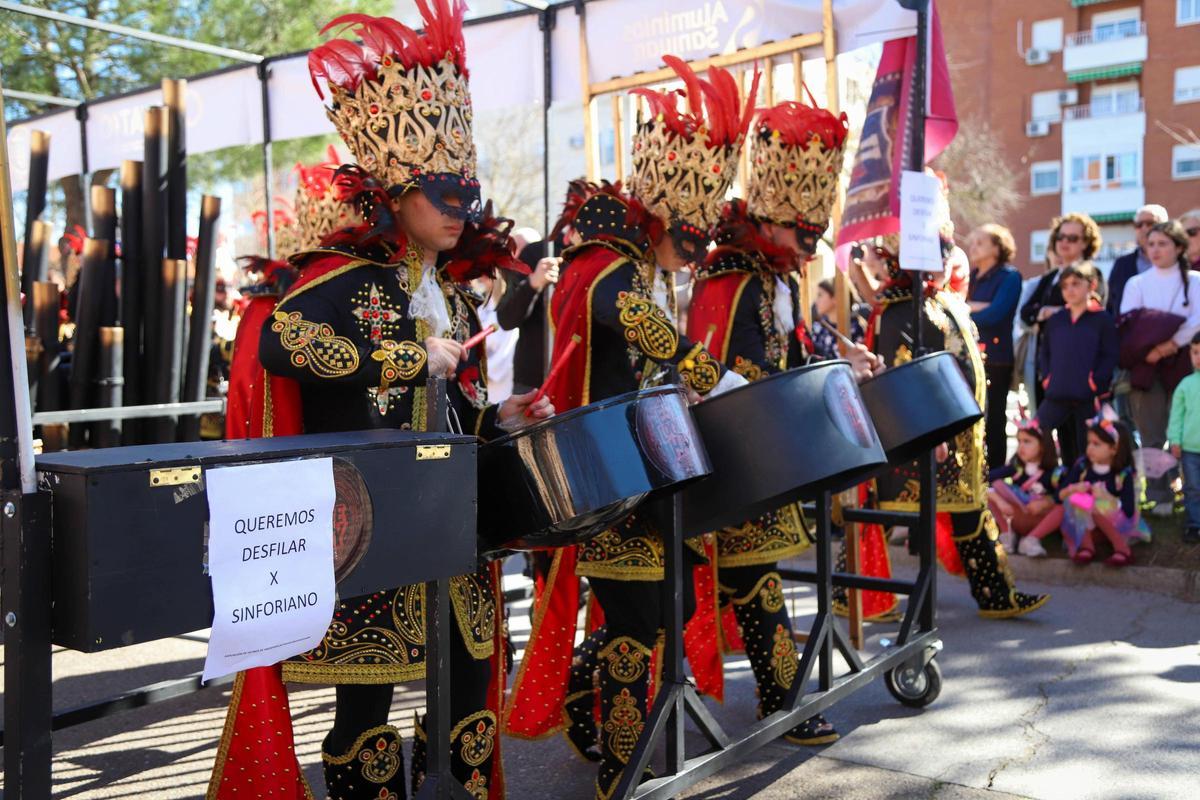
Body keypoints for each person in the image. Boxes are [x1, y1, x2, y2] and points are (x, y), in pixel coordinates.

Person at [209, 7, 551, 799]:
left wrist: (503, 417)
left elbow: (460, 408)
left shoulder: (459, 301)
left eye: (468, 190)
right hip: (373, 531)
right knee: (364, 708)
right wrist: (403, 356)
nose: (460, 205)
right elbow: (278, 343)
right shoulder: (340, 278)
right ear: (397, 191)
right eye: (442, 190)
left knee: (469, 699)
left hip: (456, 533)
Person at [503, 56, 752, 800]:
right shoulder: (610, 268)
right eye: (693, 237)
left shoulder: (604, 262)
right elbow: (640, 328)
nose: (699, 253)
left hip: (621, 466)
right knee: (640, 616)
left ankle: (598, 728)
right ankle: (622, 763)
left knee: (651, 608)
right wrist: (716, 375)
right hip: (605, 474)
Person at [687, 98, 887, 747]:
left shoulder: (772, 279)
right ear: (772, 222)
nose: (809, 249)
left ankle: (783, 698)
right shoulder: (729, 278)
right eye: (802, 234)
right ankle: (784, 700)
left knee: (745, 580)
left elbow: (792, 350)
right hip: (736, 452)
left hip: (767, 450)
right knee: (747, 578)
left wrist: (839, 358)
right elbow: (712, 368)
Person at [861, 203, 1049, 618]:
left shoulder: (941, 300)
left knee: (969, 514)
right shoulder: (900, 307)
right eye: (941, 253)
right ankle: (855, 593)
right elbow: (906, 376)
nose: (949, 260)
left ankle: (996, 594)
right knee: (883, 512)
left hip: (961, 438)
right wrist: (931, 433)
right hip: (929, 437)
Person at [1118, 220, 1200, 517]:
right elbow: (1130, 326)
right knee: (1151, 433)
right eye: (1151, 244)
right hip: (1146, 367)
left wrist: (1166, 346)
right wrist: (1150, 348)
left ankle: (1191, 494)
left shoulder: (1196, 281)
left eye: (1163, 243)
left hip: (1186, 365)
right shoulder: (1136, 283)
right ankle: (1159, 495)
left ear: (1179, 247)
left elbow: (1196, 322)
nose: (1155, 249)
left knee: (1188, 432)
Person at [1035, 263, 1118, 466]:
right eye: (1065, 286)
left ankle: (1087, 488)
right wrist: (1047, 379)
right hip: (1057, 392)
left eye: (1075, 284)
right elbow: (1045, 352)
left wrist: (1096, 383)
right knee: (1036, 432)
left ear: (1092, 285)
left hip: (1087, 396)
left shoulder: (1102, 319)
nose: (1069, 290)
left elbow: (1110, 355)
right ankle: (1048, 481)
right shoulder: (1057, 319)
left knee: (1088, 446)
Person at [1020, 212, 1104, 407]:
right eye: (1060, 237)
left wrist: (1054, 313)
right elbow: (1026, 313)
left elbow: (1094, 312)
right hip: (1045, 364)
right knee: (1043, 429)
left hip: (1077, 366)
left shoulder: (1093, 274)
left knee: (1076, 433)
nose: (1065, 242)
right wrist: (1043, 312)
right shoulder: (1050, 278)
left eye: (1072, 238)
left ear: (1086, 242)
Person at [967, 223, 1022, 472]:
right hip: (969, 354)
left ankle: (996, 472)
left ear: (998, 248)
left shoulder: (1009, 277)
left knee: (994, 417)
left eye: (981, 242)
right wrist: (975, 306)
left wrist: (967, 310)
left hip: (996, 357)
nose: (973, 246)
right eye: (973, 241)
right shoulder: (969, 277)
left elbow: (996, 314)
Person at [1057, 416, 1142, 566]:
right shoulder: (1083, 466)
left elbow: (1129, 511)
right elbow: (1060, 495)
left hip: (1119, 524)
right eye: (1089, 442)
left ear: (1114, 448)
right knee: (1076, 499)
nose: (1089, 448)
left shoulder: (1122, 474)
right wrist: (1074, 488)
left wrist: (1108, 498)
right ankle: (1087, 546)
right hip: (1090, 527)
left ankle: (1122, 549)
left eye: (1096, 444)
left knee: (1094, 504)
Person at [988, 419, 1062, 556]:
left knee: (1062, 506)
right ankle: (1007, 536)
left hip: (1038, 519)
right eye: (1019, 441)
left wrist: (1047, 502)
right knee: (995, 486)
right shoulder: (1016, 468)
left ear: (1043, 445)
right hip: (1016, 517)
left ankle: (1032, 540)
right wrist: (1000, 501)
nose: (1021, 447)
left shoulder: (1055, 474)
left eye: (1027, 441)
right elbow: (985, 480)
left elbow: (1062, 494)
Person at [1107, 204, 1170, 317]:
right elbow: (1111, 305)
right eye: (1139, 225)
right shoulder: (1122, 264)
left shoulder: (1176, 263)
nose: (1144, 228)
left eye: (1150, 223)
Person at [1168, 332, 1200, 545]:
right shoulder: (1185, 385)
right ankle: (1194, 524)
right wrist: (1175, 440)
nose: (1198, 357)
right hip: (1190, 449)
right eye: (1196, 352)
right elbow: (1176, 416)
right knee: (1193, 488)